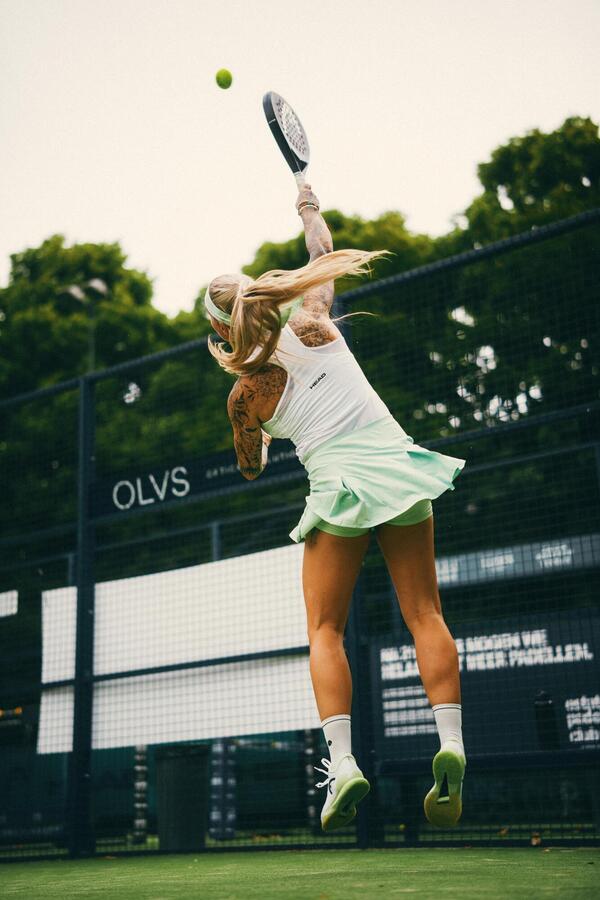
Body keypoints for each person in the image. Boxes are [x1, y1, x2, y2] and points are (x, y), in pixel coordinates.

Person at [204, 184, 466, 832]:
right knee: (425, 612)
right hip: (396, 466)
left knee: (325, 630)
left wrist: (262, 432)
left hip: (338, 489)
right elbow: (320, 249)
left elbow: (251, 466)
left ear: (221, 329)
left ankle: (343, 761)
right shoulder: (314, 317)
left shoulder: (245, 396)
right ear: (259, 299)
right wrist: (307, 209)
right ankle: (453, 741)